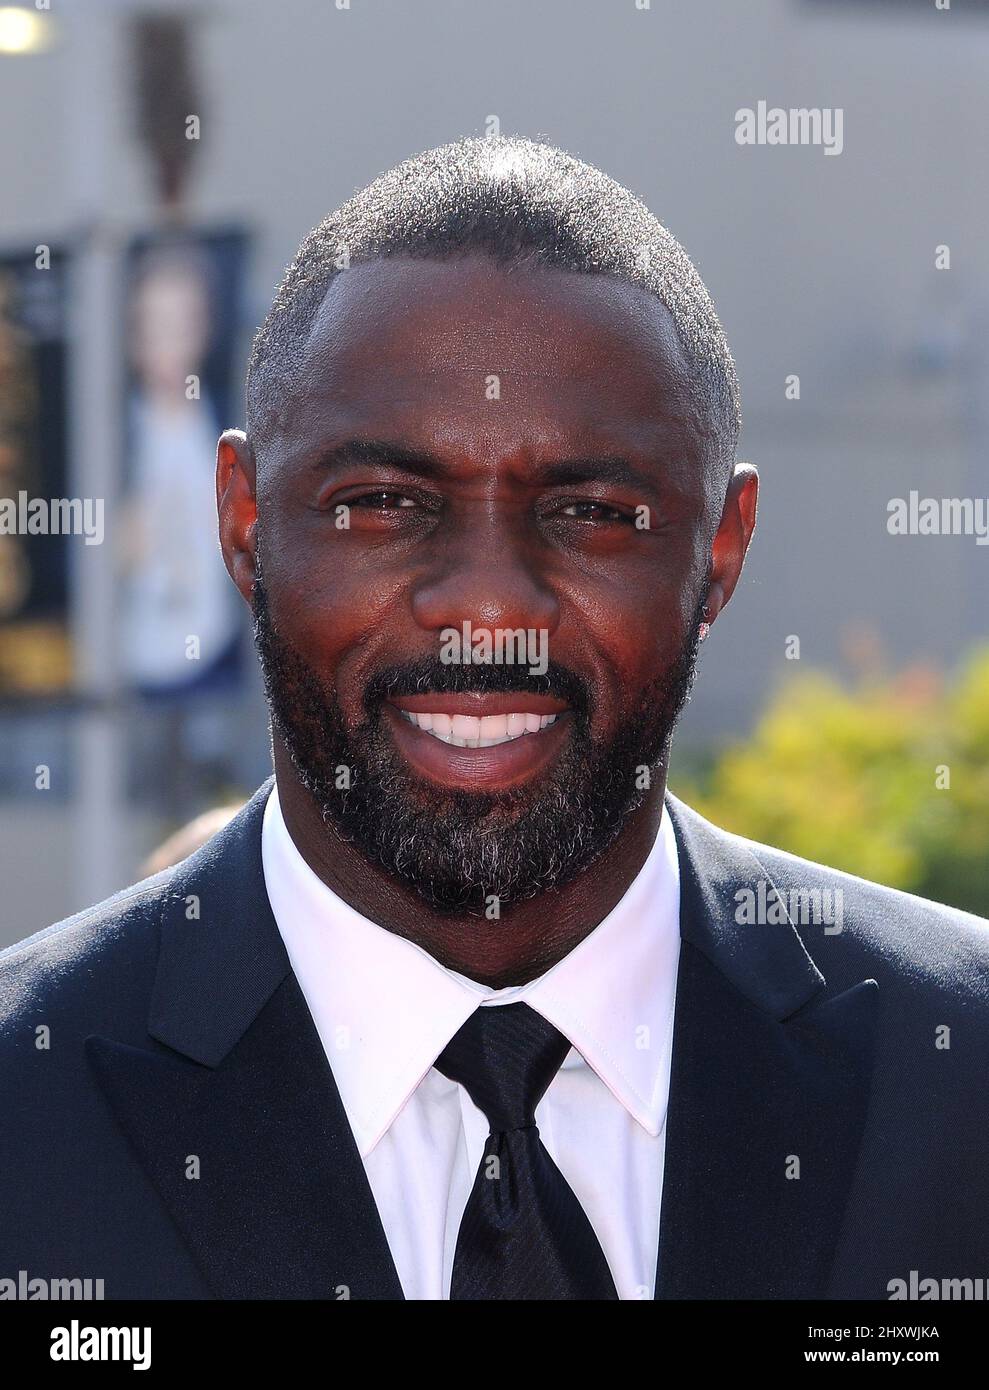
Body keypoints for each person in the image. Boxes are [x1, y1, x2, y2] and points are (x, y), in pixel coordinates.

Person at [2, 136, 987, 1302]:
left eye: (588, 509)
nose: (484, 605)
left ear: (719, 551)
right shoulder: (26, 1103)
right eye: (379, 504)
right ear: (243, 521)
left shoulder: (955, 1080)